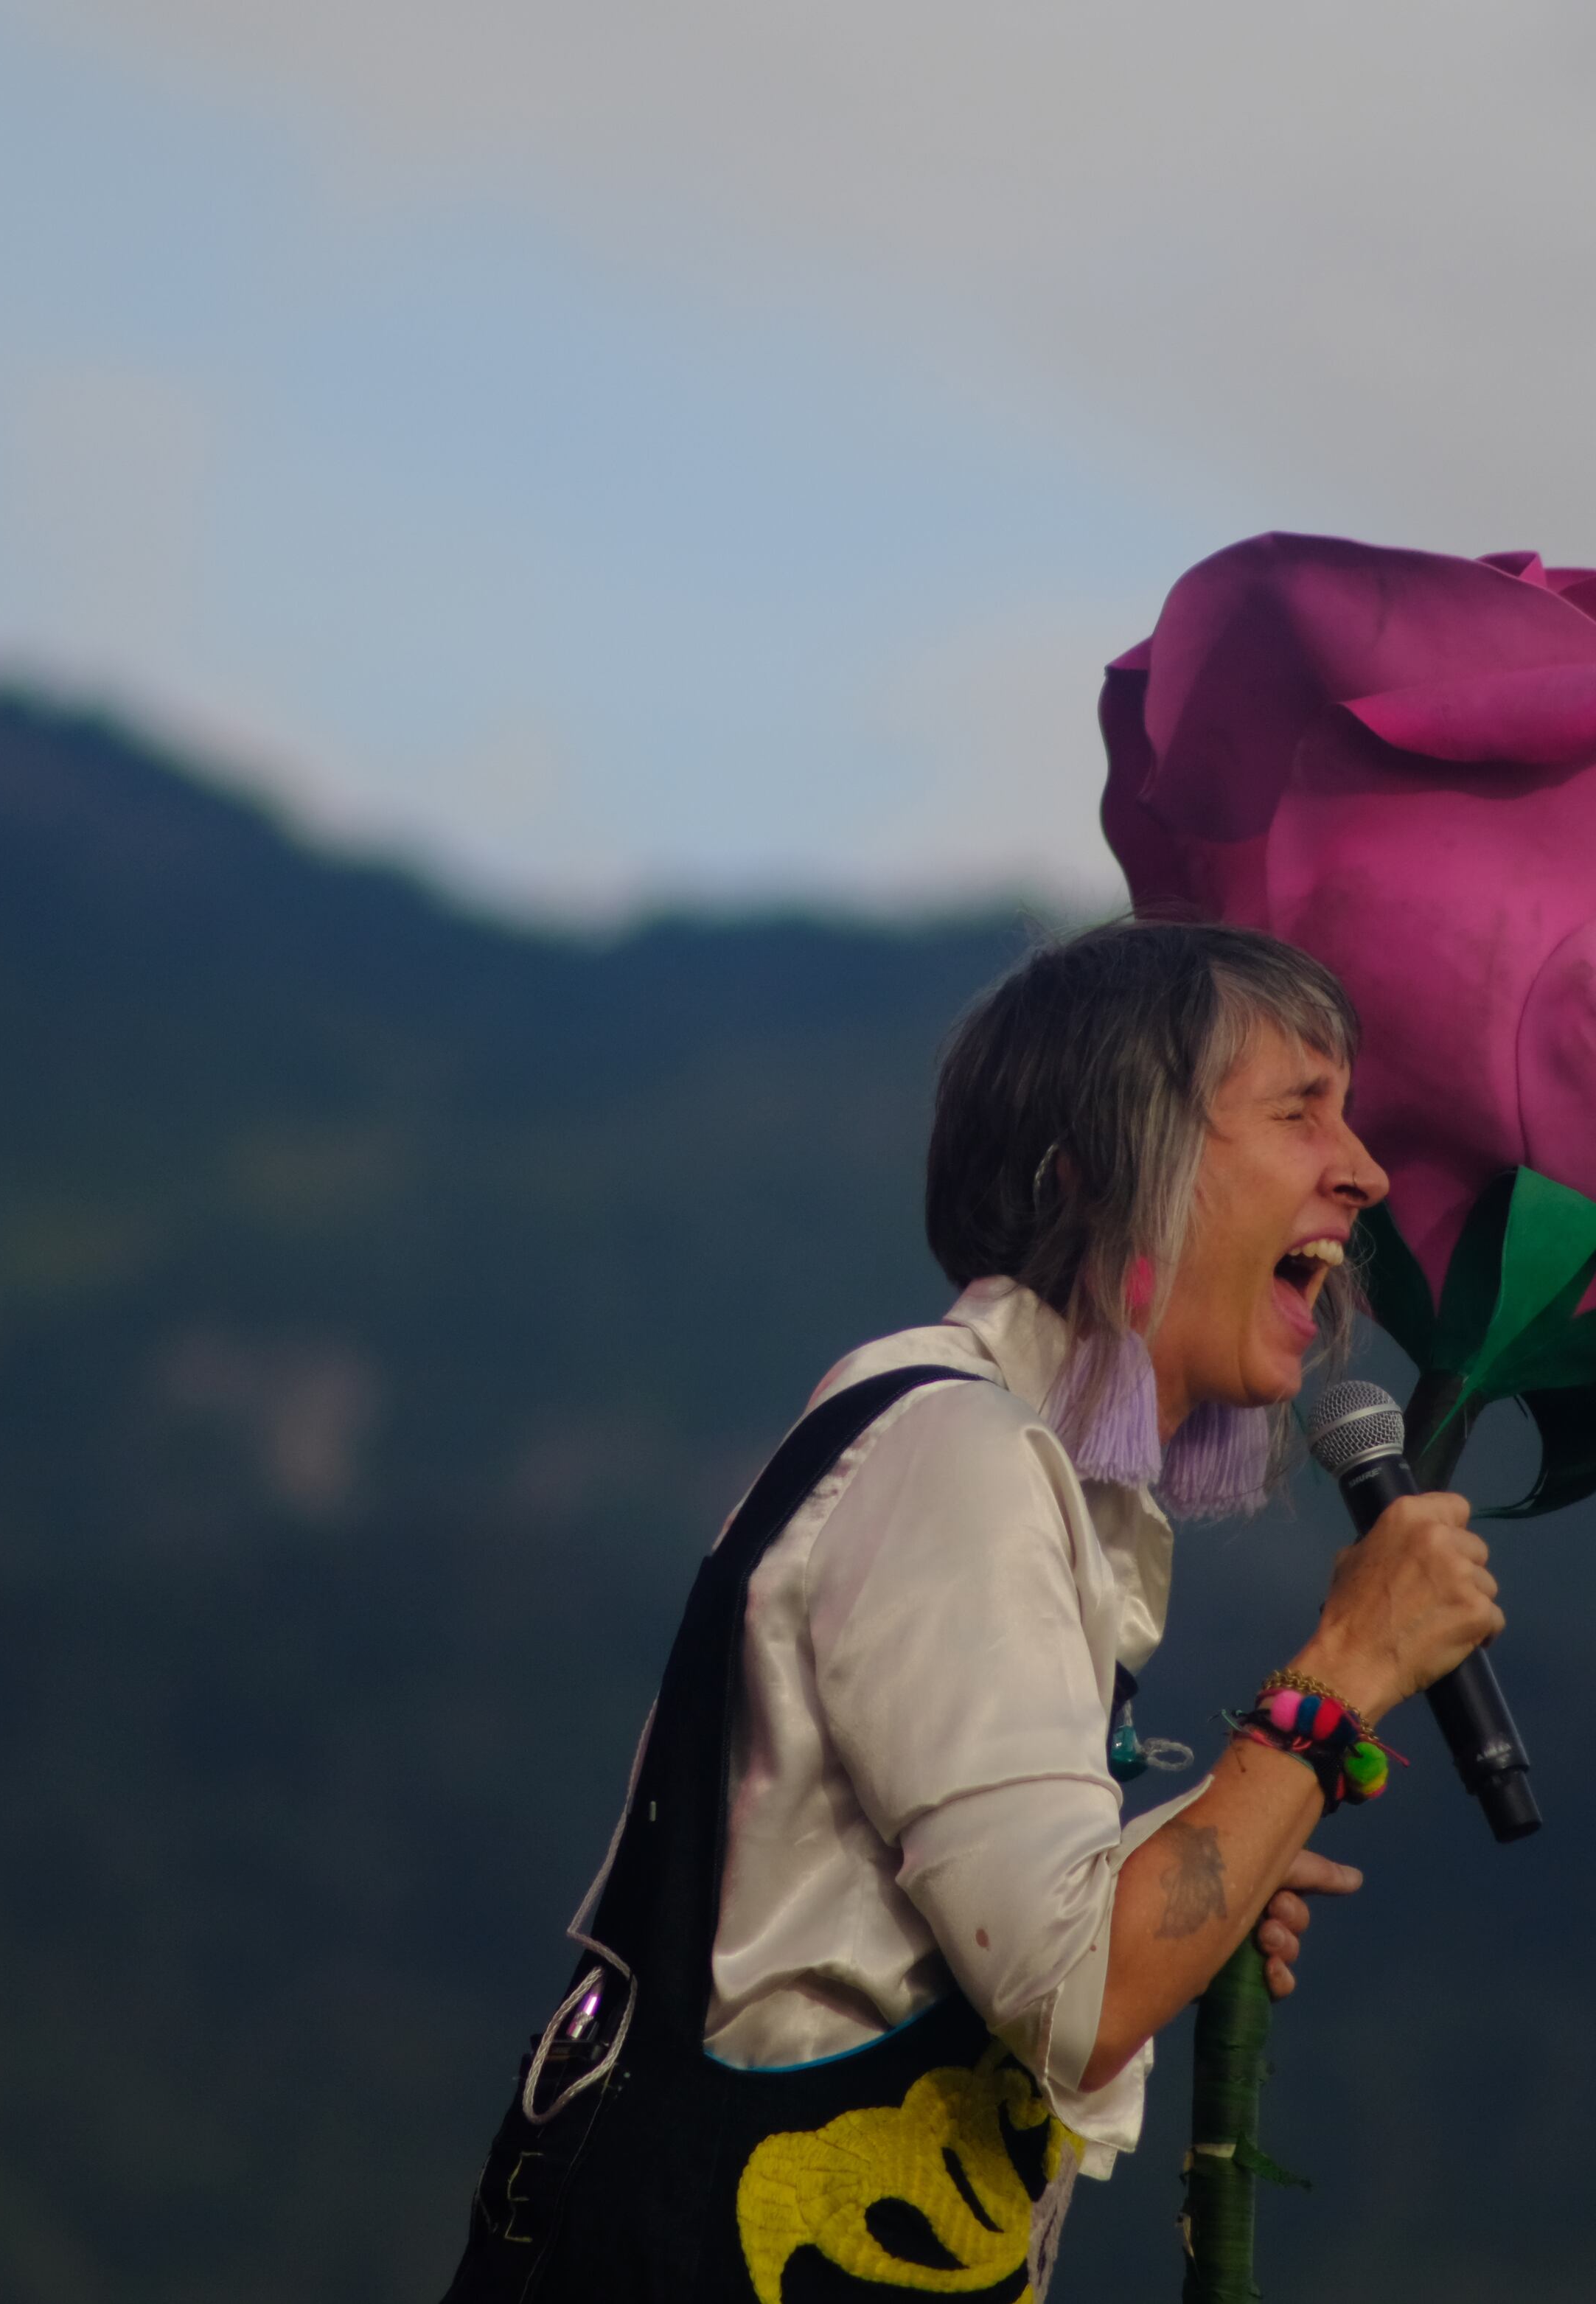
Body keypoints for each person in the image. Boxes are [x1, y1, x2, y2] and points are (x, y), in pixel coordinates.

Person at [445, 921, 1504, 2303]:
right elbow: (1083, 1994)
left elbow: (992, 1927)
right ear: (1113, 1166)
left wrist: (1222, 1849)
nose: (1362, 1171)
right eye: (1300, 1110)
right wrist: (1342, 1675)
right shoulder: (957, 1457)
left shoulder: (1022, 1475)